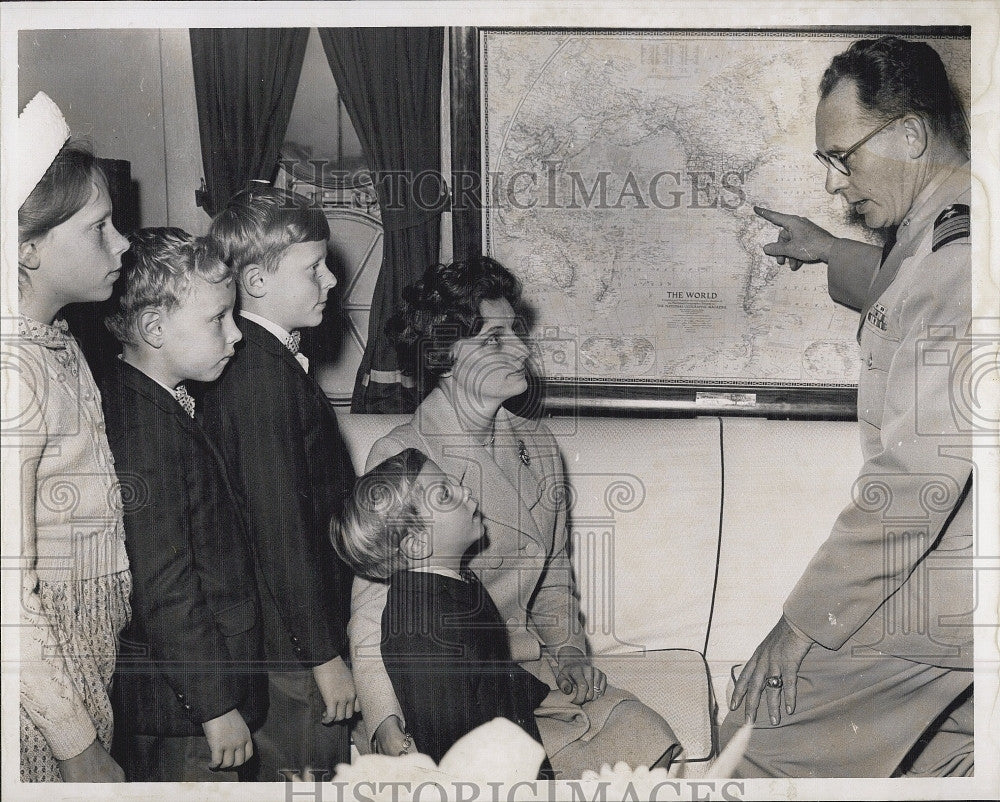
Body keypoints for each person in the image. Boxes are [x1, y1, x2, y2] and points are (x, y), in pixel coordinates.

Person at [721, 36, 974, 777]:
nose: (837, 183)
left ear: (910, 134)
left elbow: (916, 483)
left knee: (754, 738)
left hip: (957, 578)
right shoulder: (952, 225)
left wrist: (803, 626)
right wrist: (833, 251)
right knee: (946, 766)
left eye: (844, 157)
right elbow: (911, 296)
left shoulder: (959, 255)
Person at [349, 256, 681, 778]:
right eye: (497, 339)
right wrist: (386, 723)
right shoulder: (405, 453)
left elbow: (551, 574)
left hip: (533, 676)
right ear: (447, 353)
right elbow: (374, 616)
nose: (523, 351)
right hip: (456, 692)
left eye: (516, 334)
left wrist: (570, 652)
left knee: (650, 739)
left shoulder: (538, 442)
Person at [202, 185, 358, 781]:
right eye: (313, 268)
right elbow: (279, 529)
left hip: (289, 636)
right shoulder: (262, 377)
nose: (331, 282)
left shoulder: (268, 361)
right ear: (257, 282)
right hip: (289, 650)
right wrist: (323, 656)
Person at [102, 228, 266, 781]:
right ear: (153, 328)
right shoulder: (143, 431)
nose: (236, 334)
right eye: (218, 319)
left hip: (194, 702)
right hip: (186, 714)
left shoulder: (161, 403)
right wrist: (215, 705)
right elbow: (164, 582)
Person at [12, 93, 132, 782]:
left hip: (85, 654)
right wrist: (76, 744)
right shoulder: (14, 373)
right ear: (29, 250)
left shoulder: (57, 342)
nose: (122, 243)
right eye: (99, 228)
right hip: (41, 693)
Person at [333, 448, 554, 774]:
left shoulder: (456, 578)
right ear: (417, 544)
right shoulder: (427, 629)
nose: (466, 491)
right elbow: (450, 745)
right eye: (447, 494)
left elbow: (489, 667)